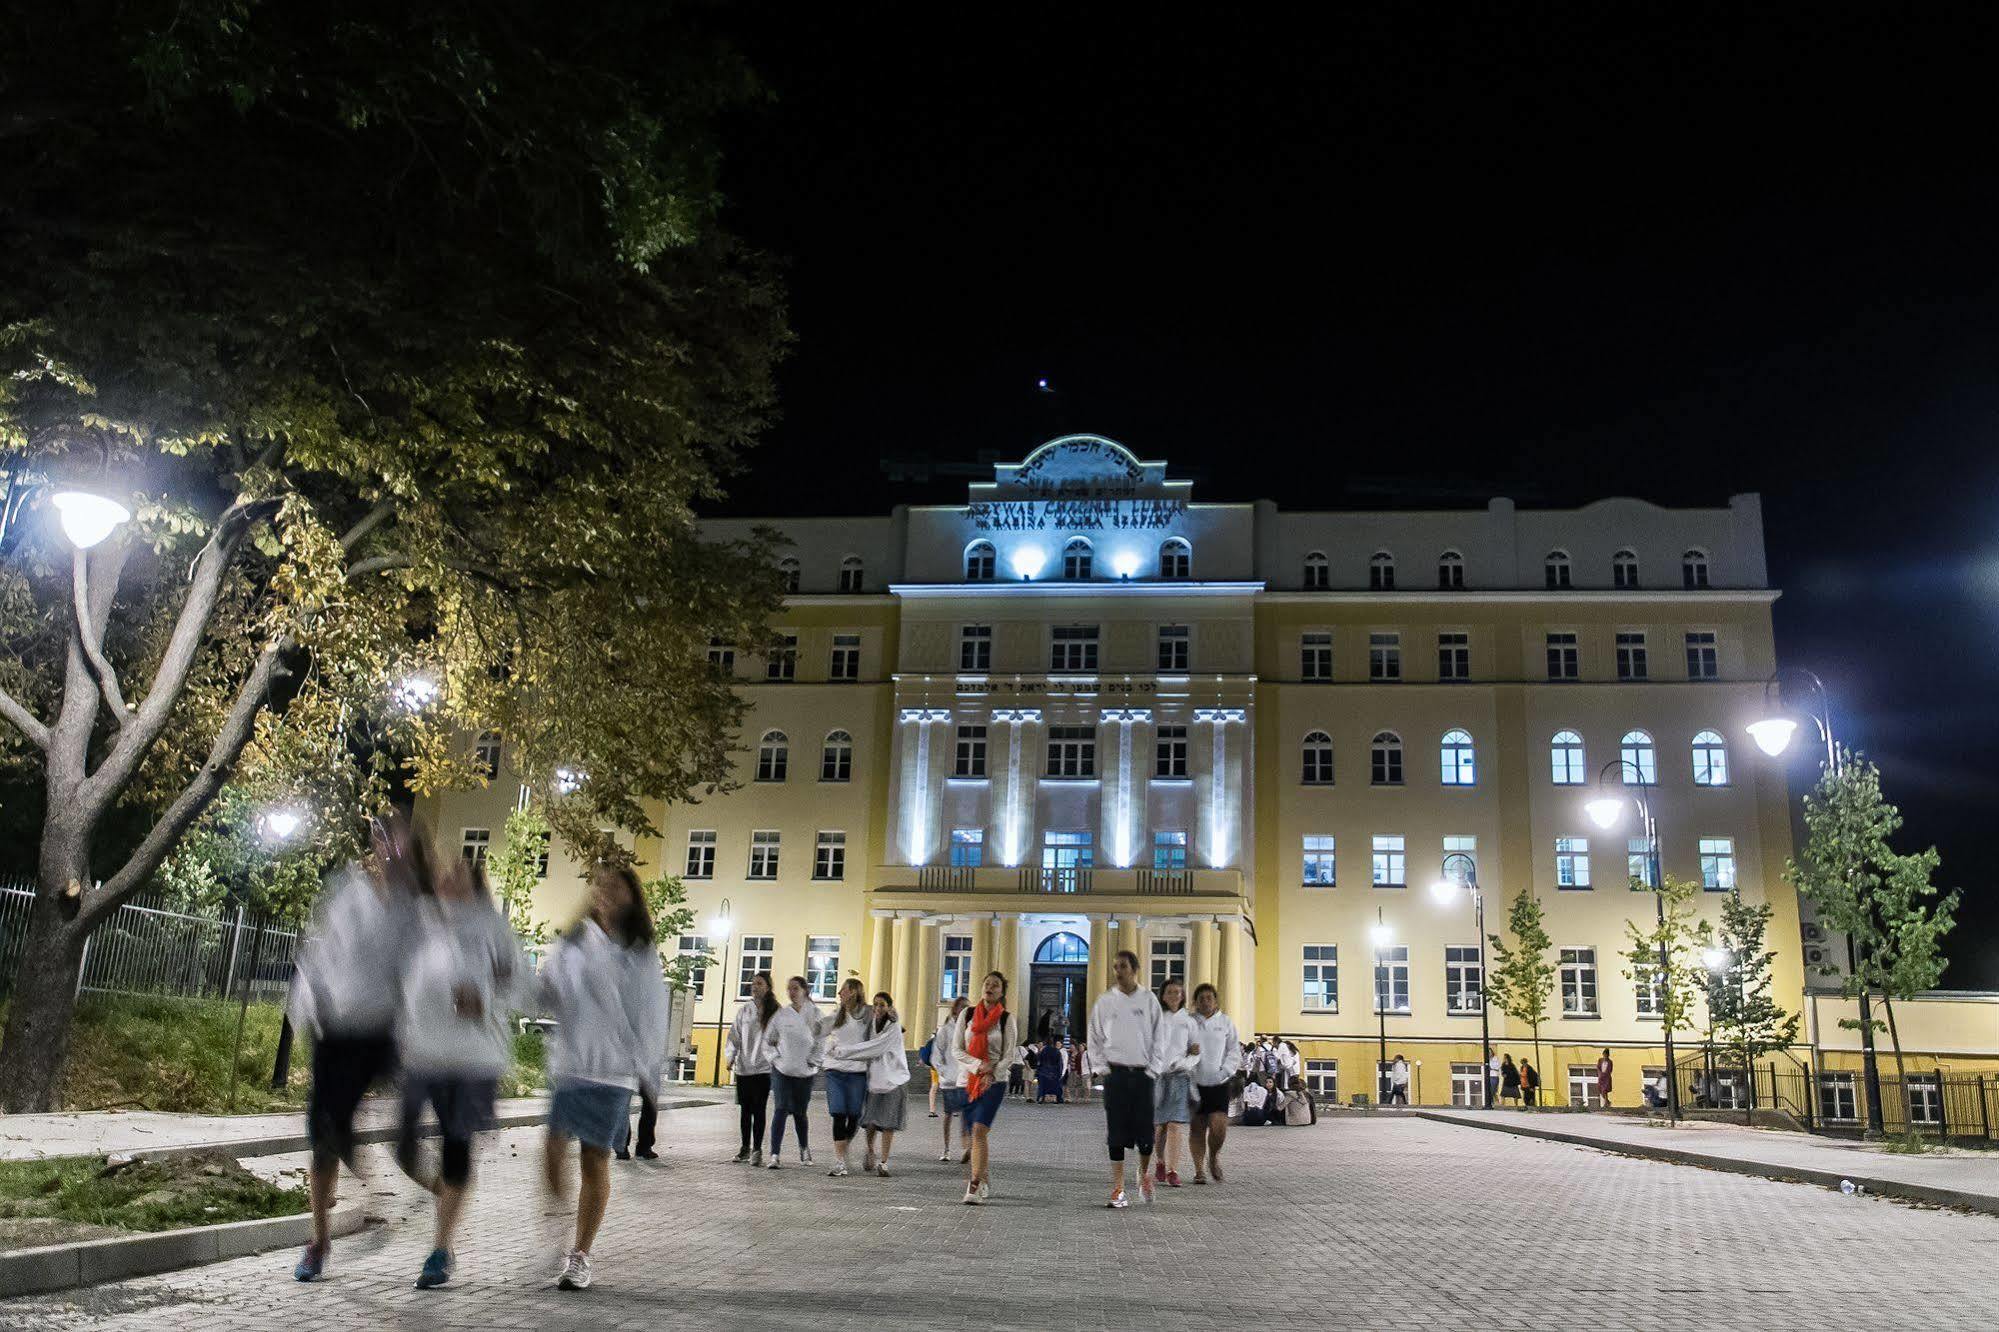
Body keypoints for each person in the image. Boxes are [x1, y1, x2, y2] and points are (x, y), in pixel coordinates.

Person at [288, 813, 421, 1283]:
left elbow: (419, 972)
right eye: (385, 842)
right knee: (324, 1131)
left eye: (400, 845)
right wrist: (309, 1002)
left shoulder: (412, 909)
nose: (391, 852)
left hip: (381, 1033)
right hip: (337, 1026)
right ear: (376, 845)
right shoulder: (349, 891)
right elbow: (320, 952)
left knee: (346, 1127)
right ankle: (319, 1238)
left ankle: (401, 1170)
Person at [392, 854, 526, 1289]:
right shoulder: (424, 923)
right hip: (423, 1055)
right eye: (446, 872)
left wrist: (485, 999)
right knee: (404, 1143)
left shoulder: (495, 930)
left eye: (459, 875)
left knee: (456, 1146)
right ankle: (447, 1192)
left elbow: (520, 986)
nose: (448, 878)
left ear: (476, 885)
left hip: (474, 1058)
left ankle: (440, 1248)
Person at [538, 862, 668, 1293]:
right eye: (601, 886)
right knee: (553, 1151)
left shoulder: (640, 953)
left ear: (632, 897)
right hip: (571, 1066)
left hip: (613, 1070)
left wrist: (651, 1072)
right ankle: (558, 1231)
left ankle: (579, 1255)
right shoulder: (574, 943)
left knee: (594, 1158)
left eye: (616, 887)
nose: (606, 893)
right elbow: (545, 993)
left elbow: (651, 1014)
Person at [1087, 949, 1163, 1208]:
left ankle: (1144, 1175)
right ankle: (1118, 1188)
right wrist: (1101, 1068)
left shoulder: (1149, 1000)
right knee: (1116, 1132)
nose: (1118, 971)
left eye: (1123, 966)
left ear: (1135, 969)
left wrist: (1153, 1069)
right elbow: (1094, 1037)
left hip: (1142, 1074)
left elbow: (1159, 1038)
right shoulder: (1105, 1001)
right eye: (1115, 966)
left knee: (1145, 1131)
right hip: (1115, 1074)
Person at [954, 970, 1019, 1204]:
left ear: (1002, 992)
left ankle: (973, 1185)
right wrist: (978, 1066)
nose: (989, 988)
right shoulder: (968, 1015)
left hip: (994, 1083)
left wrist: (993, 1073)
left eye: (995, 985)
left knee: (979, 1131)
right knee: (976, 1137)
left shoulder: (1006, 1019)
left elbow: (1009, 1054)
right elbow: (957, 1049)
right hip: (969, 1080)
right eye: (987, 984)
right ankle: (983, 1176)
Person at [830, 990, 910, 1176]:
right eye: (875, 1005)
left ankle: (884, 1161)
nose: (878, 1008)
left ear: (889, 1007)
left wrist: (843, 1052)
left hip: (894, 1080)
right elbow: (858, 1010)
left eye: (882, 1005)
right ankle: (870, 1150)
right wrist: (847, 997)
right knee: (871, 1121)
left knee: (888, 1123)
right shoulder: (872, 1021)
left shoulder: (894, 1027)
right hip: (875, 1080)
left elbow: (874, 1048)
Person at [761, 975, 822, 1168]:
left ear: (805, 990)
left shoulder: (815, 1014)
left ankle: (804, 1149)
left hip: (805, 1072)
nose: (792, 992)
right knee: (780, 1108)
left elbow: (822, 1042)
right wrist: (774, 1058)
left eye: (795, 988)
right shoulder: (782, 1015)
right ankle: (774, 1154)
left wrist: (815, 1060)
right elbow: (768, 1040)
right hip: (783, 1070)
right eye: (789, 989)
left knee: (800, 1112)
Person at [1186, 982, 1241, 1185]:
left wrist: (1225, 1072)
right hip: (1194, 1082)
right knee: (1197, 1128)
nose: (1206, 1002)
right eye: (1201, 999)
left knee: (1219, 1128)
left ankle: (1214, 1156)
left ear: (1216, 1001)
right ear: (1195, 1002)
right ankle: (1199, 1169)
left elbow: (1234, 1050)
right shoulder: (1189, 1022)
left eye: (1209, 998)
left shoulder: (1226, 1022)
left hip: (1219, 1083)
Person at [819, 978, 874, 1177]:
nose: (839, 993)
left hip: (858, 1072)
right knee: (838, 1113)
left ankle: (844, 1146)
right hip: (835, 1071)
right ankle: (839, 1161)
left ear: (852, 992)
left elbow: (884, 1026)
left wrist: (892, 1015)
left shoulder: (867, 1014)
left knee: (854, 1117)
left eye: (842, 990)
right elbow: (818, 1031)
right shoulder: (836, 1015)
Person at [724, 971, 778, 1164]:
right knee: (745, 1110)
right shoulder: (744, 1010)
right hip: (744, 1068)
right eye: (753, 984)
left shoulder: (775, 1011)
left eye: (760, 984)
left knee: (759, 1109)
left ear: (768, 987)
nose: (755, 987)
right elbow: (734, 1035)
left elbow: (780, 1039)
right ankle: (744, 1147)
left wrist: (777, 1060)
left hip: (763, 1068)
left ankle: (757, 1149)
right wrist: (730, 1056)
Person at [1150, 977, 1200, 1188]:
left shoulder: (1189, 1021)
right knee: (1159, 1126)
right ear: (1163, 995)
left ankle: (1173, 1170)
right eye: (1170, 992)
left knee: (1174, 1125)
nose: (1174, 996)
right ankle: (1160, 1161)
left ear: (1183, 996)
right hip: (1158, 1077)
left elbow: (1197, 1051)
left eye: (1178, 992)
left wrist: (1184, 1063)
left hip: (1180, 1077)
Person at [933, 996, 969, 1162]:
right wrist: (943, 1071)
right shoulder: (945, 1030)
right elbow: (937, 1054)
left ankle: (966, 1147)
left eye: (966, 1007)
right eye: (961, 1007)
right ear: (955, 1009)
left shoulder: (970, 1029)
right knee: (948, 1114)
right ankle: (946, 1149)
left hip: (966, 1078)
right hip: (949, 1079)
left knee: (966, 1115)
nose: (964, 1010)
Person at [1036, 1037, 1067, 1103]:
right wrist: (1060, 1073)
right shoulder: (1056, 1051)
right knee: (1054, 1087)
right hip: (1054, 1072)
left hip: (1043, 1071)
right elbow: (1059, 1063)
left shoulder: (1043, 1051)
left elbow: (1039, 1061)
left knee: (1042, 1086)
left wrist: (1038, 1071)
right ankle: (1055, 1099)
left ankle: (1041, 1098)